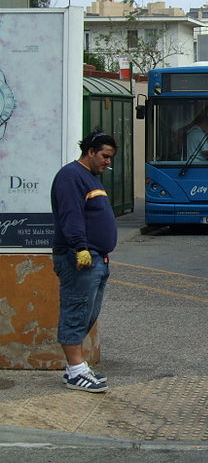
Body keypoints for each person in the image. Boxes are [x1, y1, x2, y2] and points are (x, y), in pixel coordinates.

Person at [50, 131, 118, 393]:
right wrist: (80, 248)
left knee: (88, 313)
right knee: (76, 311)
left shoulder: (89, 178)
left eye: (110, 158)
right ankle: (76, 371)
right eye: (104, 156)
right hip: (79, 258)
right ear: (90, 151)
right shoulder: (71, 176)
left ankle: (75, 370)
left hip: (97, 259)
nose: (107, 162)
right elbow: (71, 215)